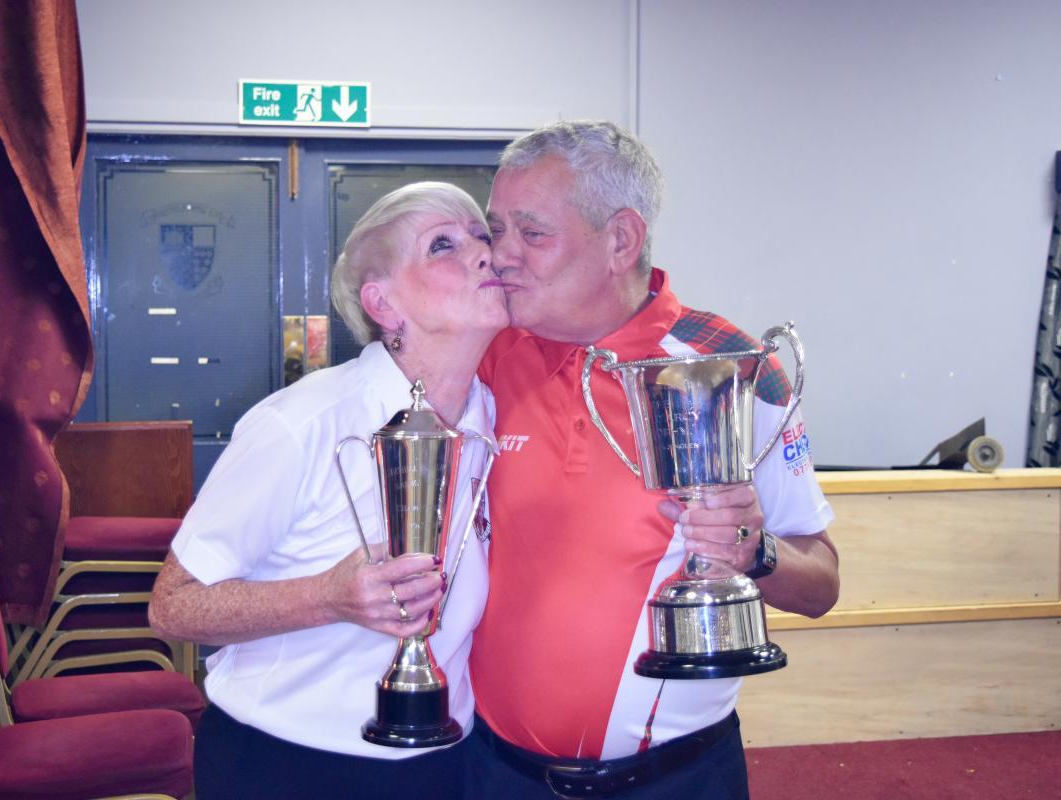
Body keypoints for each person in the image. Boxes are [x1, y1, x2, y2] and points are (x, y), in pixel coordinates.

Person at [464, 120, 840, 799]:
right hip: (495, 774)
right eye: (497, 230)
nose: (502, 256)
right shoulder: (485, 358)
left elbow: (822, 586)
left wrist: (753, 552)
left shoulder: (732, 366)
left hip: (677, 781)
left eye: (532, 233)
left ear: (621, 240)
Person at [148, 181, 508, 800]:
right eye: (442, 245)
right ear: (383, 304)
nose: (484, 253)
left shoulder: (493, 418)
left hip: (443, 761)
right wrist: (327, 597)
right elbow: (172, 608)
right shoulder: (303, 421)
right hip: (287, 765)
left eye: (481, 235)